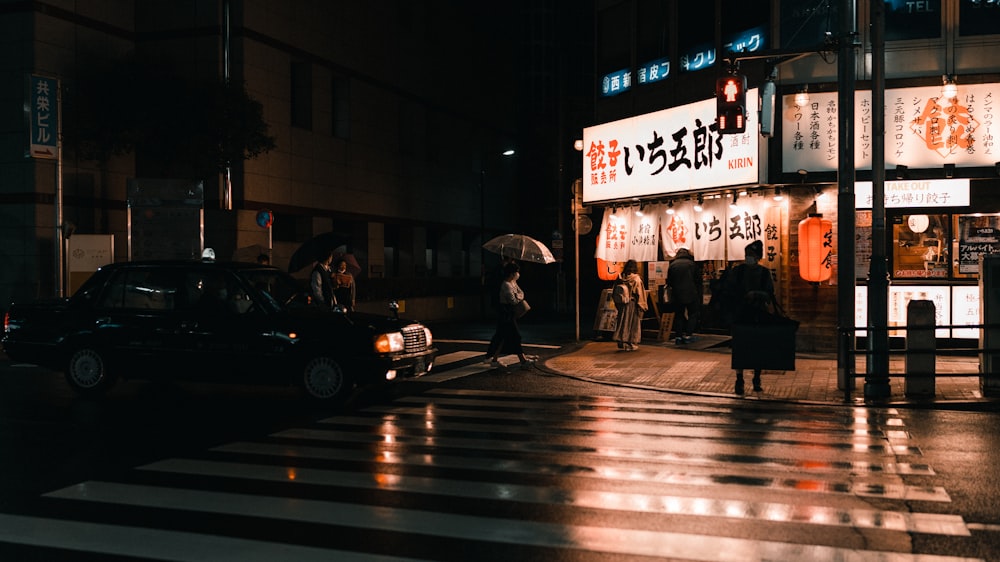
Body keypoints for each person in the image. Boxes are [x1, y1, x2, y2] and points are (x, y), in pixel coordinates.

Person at [724, 240, 775, 395]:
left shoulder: (764, 273)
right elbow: (728, 291)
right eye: (747, 255)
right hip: (740, 314)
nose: (748, 258)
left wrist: (756, 294)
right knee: (740, 348)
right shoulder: (737, 271)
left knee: (758, 348)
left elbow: (770, 294)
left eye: (751, 255)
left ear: (758, 257)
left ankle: (756, 378)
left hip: (758, 315)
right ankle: (739, 379)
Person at [483, 261, 535, 370]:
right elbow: (514, 301)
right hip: (505, 313)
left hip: (508, 313)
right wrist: (519, 296)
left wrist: (518, 296)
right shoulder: (506, 285)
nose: (518, 274)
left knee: (502, 336)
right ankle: (523, 360)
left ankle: (493, 358)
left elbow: (521, 293)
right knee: (515, 336)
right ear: (511, 273)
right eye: (516, 272)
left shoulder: (513, 283)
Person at [667, 247, 701, 345]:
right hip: (691, 293)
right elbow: (698, 280)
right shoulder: (692, 264)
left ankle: (678, 336)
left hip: (677, 294)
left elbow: (669, 281)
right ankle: (688, 335)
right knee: (693, 314)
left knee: (679, 315)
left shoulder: (672, 265)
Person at [612, 259, 648, 351]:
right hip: (632, 304)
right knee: (632, 324)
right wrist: (642, 306)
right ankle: (630, 343)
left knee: (622, 322)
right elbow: (640, 293)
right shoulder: (636, 279)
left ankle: (621, 340)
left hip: (622, 304)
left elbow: (614, 291)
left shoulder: (620, 277)